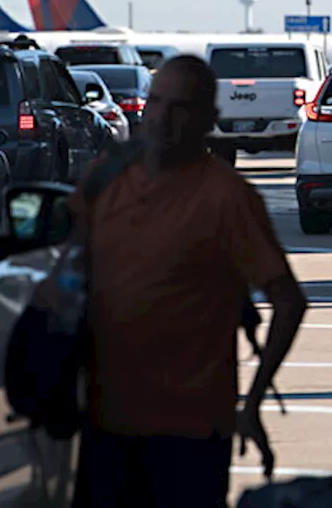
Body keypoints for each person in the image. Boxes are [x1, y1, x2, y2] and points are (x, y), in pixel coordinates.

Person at [68, 55, 308, 506]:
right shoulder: (108, 178)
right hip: (104, 426)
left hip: (189, 434)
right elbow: (67, 273)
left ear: (208, 120)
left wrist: (253, 402)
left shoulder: (227, 197)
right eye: (156, 102)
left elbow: (289, 301)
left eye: (180, 107)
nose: (162, 118)